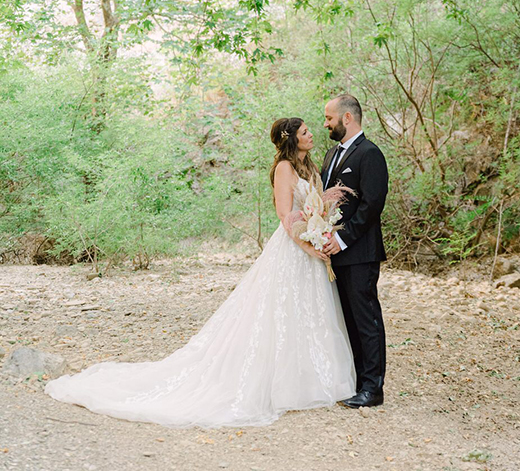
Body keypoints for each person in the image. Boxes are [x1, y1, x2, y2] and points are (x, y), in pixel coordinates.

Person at [45, 117, 355, 427]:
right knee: (279, 314)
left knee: (310, 313)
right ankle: (278, 382)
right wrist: (307, 245)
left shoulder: (312, 167)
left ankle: (310, 379)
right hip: (293, 249)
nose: (311, 134)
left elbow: (316, 207)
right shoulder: (285, 169)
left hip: (312, 249)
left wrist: (321, 231)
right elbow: (285, 215)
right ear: (291, 139)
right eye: (304, 132)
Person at [321, 93, 388, 408]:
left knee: (366, 318)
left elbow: (372, 204)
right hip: (334, 252)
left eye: (329, 118)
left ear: (347, 118)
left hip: (360, 252)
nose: (326, 124)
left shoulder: (370, 154)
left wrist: (343, 238)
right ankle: (357, 382)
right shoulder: (332, 153)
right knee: (347, 319)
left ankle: (373, 388)